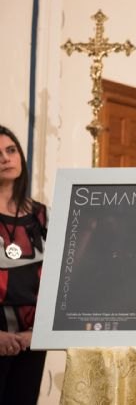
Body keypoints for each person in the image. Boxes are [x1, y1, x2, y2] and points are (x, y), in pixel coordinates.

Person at [0, 125, 48, 404]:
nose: (6, 158)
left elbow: (59, 279)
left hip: (32, 342)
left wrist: (37, 334)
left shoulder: (42, 216)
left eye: (11, 150)